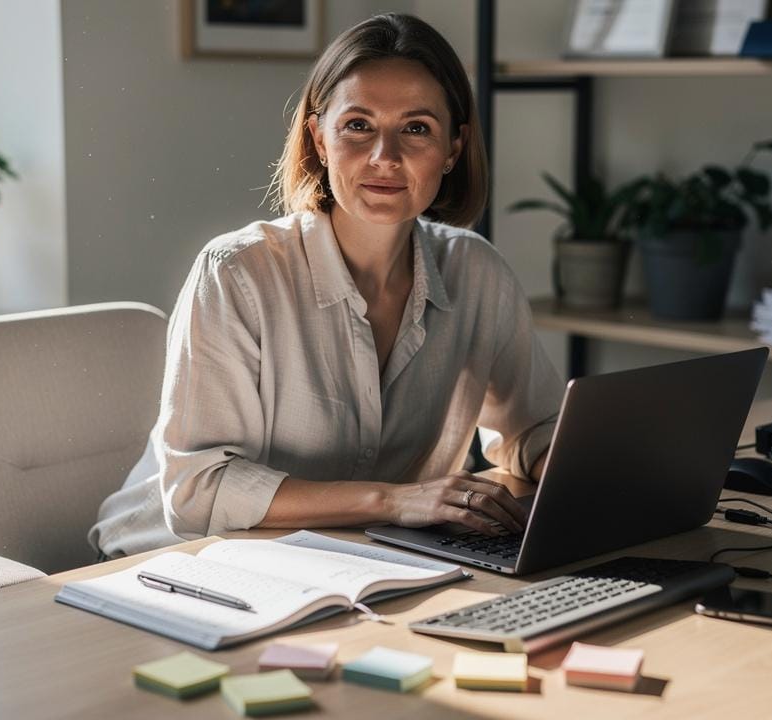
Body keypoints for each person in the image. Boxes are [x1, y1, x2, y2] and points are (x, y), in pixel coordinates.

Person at [90, 13, 563, 558]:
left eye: (416, 128)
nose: (384, 156)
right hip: (170, 561)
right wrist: (394, 501)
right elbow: (197, 493)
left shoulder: (478, 274)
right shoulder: (236, 273)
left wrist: (585, 475)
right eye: (358, 125)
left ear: (453, 149)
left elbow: (535, 428)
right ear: (318, 138)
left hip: (356, 561)